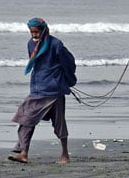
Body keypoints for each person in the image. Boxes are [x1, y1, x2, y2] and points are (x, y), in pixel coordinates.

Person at [8, 17, 77, 164]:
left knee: (59, 123)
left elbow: (69, 63)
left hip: (54, 91)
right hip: (37, 89)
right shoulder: (30, 44)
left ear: (43, 30)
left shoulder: (56, 44)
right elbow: (35, 65)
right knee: (26, 119)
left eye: (36, 31)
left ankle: (65, 155)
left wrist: (68, 81)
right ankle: (23, 152)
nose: (33, 34)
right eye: (31, 32)